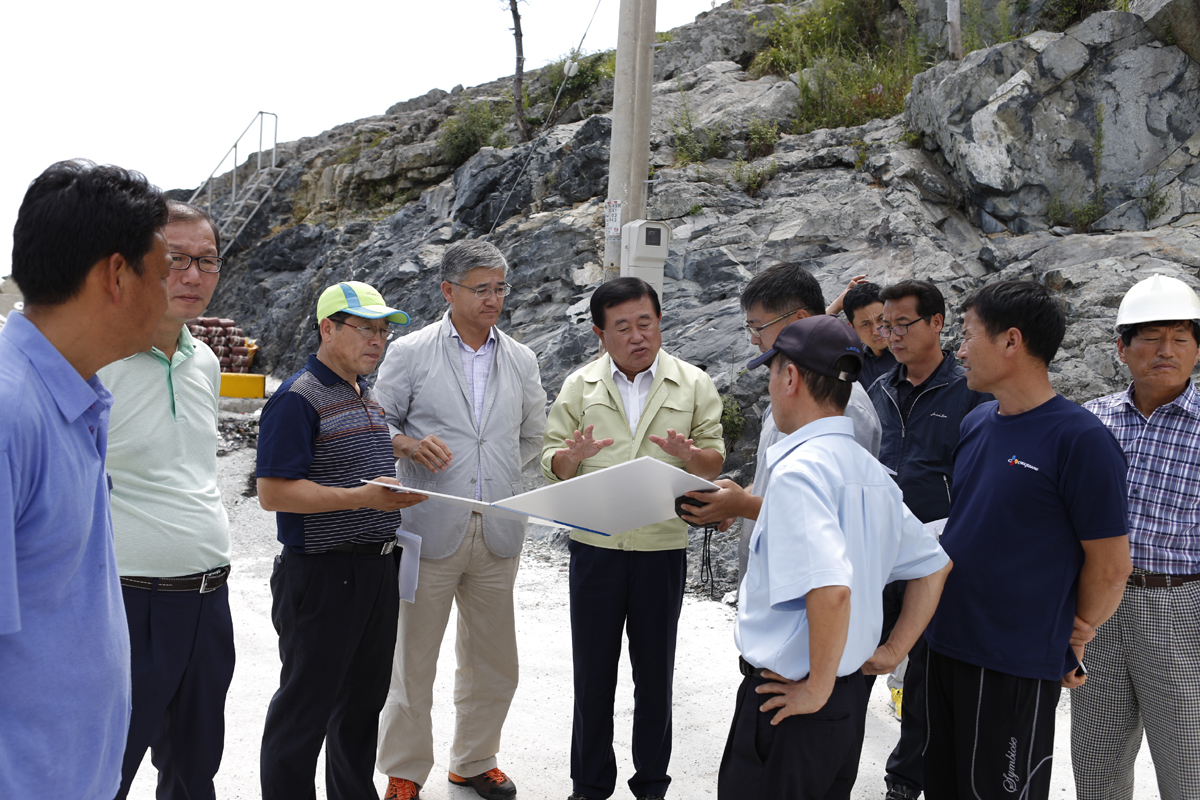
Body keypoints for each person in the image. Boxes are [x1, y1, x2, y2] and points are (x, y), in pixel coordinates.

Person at [717, 315, 951, 800]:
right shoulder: (869, 471)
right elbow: (934, 565)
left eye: (771, 372)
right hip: (842, 706)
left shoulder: (799, 472)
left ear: (790, 377)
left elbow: (830, 589)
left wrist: (815, 688)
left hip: (790, 699)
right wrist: (892, 652)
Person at [922, 280, 1132, 800]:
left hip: (1012, 662)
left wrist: (1077, 631)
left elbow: (1109, 566)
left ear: (1011, 341)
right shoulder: (977, 422)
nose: (960, 350)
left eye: (968, 336)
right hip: (944, 643)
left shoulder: (1080, 440)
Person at [0, 160, 170, 799]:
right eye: (164, 271)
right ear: (117, 274)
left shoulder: (73, 398)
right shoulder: (11, 412)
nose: (174, 291)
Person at [373, 240, 547, 800]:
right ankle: (404, 770)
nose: (494, 298)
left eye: (500, 288)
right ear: (448, 291)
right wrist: (409, 446)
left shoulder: (521, 358)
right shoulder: (410, 351)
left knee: (495, 661)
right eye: (481, 288)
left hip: (498, 526)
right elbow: (377, 422)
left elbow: (532, 436)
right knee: (413, 660)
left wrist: (488, 472)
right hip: (428, 525)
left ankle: (474, 760)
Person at [541, 277, 725, 800]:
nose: (637, 336)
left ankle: (651, 785)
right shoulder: (580, 386)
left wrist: (690, 456)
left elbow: (714, 459)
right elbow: (551, 459)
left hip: (660, 551)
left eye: (645, 322)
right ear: (601, 333)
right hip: (595, 549)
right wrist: (570, 458)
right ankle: (589, 784)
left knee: (655, 677)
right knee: (593, 674)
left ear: (660, 322)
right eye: (622, 326)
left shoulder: (692, 384)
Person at [256, 281, 427, 800]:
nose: (376, 340)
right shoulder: (296, 397)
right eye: (364, 328)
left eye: (382, 330)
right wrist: (362, 498)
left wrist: (394, 475)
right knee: (305, 709)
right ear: (327, 328)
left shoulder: (364, 392)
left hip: (376, 570)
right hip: (323, 572)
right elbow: (273, 492)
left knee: (362, 705)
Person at [100, 201, 235, 800]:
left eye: (205, 261)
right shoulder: (94, 361)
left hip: (210, 598)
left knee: (194, 767)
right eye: (174, 259)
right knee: (109, 766)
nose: (191, 275)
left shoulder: (203, 360)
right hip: (130, 601)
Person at [1070, 274, 1200, 800]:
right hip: (1095, 608)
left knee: (1187, 764)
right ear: (1122, 347)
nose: (1165, 350)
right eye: (1149, 337)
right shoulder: (1090, 422)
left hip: (1179, 606)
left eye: (1181, 338)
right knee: (1096, 761)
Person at [675, 262, 881, 584]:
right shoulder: (787, 395)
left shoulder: (845, 405)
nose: (755, 340)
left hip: (808, 597)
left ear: (798, 320)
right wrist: (738, 501)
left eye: (758, 327)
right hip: (768, 583)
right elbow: (778, 482)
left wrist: (746, 505)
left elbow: (837, 514)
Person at [867, 279, 992, 800]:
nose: (891, 335)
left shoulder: (971, 394)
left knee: (923, 675)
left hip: (935, 556)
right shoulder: (875, 392)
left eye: (902, 324)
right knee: (857, 655)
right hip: (876, 549)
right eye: (884, 326)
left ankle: (907, 779)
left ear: (937, 324)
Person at [841, 280, 896, 389]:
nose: (877, 331)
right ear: (852, 328)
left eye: (881, 319)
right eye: (866, 324)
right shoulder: (853, 359)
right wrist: (838, 304)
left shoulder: (909, 354)